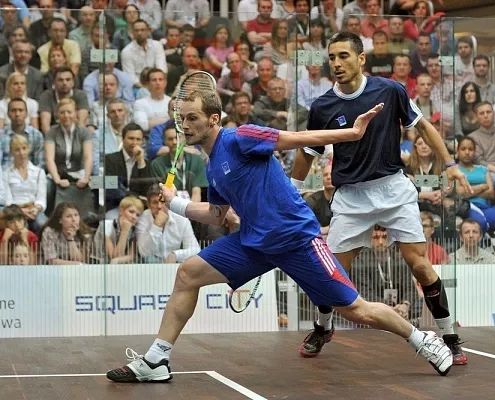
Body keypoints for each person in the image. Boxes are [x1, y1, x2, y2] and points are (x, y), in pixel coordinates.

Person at [106, 87, 453, 383]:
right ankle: (156, 361)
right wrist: (178, 204)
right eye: (181, 118)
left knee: (355, 311)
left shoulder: (240, 137)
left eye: (192, 117)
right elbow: (216, 213)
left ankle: (422, 339)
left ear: (213, 119)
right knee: (187, 274)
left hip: (297, 239)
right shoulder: (213, 166)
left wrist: (350, 134)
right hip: (254, 242)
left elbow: (294, 139)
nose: (185, 124)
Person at [290, 32, 471, 365]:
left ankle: (448, 335)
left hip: (393, 189)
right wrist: (292, 190)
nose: (336, 63)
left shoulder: (390, 90)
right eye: (331, 58)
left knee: (420, 264)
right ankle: (323, 326)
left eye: (343, 56)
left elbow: (425, 128)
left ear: (361, 59)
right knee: (331, 276)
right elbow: (307, 152)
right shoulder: (323, 106)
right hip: (351, 197)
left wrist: (451, 165)